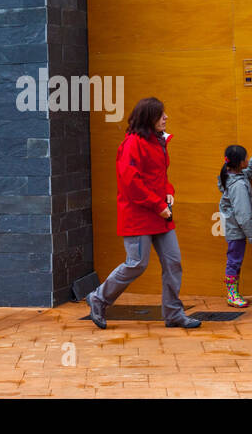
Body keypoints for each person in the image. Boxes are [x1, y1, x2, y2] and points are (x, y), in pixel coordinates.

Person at [86, 97, 201, 329]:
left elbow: (161, 177)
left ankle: (174, 314)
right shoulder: (132, 144)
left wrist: (169, 192)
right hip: (139, 215)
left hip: (160, 213)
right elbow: (131, 183)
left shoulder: (158, 142)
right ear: (149, 118)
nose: (166, 118)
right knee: (136, 263)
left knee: (173, 263)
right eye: (161, 115)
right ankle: (98, 298)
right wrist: (158, 206)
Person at [218, 144, 252, 307]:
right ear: (240, 163)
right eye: (246, 158)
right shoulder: (238, 186)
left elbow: (246, 174)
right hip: (237, 230)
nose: (247, 160)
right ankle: (232, 294)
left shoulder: (230, 175)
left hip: (233, 227)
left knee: (234, 259)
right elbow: (244, 215)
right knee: (234, 260)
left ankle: (233, 293)